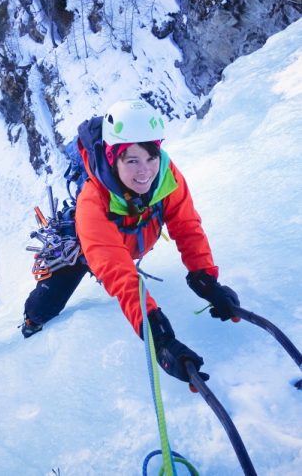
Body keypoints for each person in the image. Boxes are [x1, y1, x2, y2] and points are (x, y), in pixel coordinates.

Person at [21, 99, 240, 384]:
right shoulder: (93, 202)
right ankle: (31, 321)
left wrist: (206, 279)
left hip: (128, 240)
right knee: (44, 307)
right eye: (132, 160)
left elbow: (186, 226)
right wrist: (158, 335)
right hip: (82, 249)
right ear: (113, 158)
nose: (144, 171)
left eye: (151, 157)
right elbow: (120, 274)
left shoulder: (166, 176)